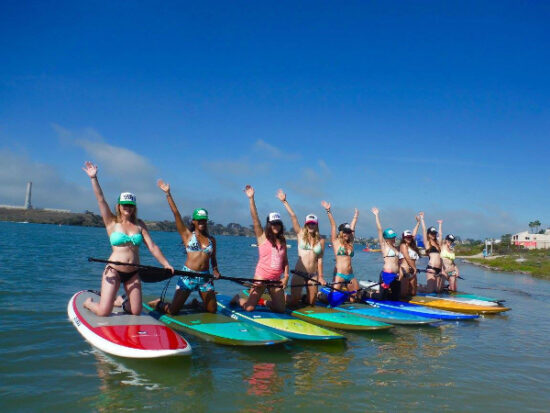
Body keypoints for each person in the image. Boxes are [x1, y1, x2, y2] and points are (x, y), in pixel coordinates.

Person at [81, 161, 174, 316]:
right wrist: (93, 178)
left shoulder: (140, 224)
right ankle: (89, 303)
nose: (127, 208)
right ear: (118, 206)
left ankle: (120, 301)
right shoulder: (111, 222)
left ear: (134, 207)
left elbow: (152, 246)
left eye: (130, 205)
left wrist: (166, 264)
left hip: (133, 272)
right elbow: (101, 200)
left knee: (136, 311)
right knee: (104, 312)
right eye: (124, 205)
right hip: (114, 270)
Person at [149, 180, 220, 314]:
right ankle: (159, 304)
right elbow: (176, 214)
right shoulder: (187, 235)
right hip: (188, 276)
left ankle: (195, 303)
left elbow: (213, 258)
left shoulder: (212, 240)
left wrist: (215, 270)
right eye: (199, 220)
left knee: (212, 310)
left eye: (204, 220)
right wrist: (168, 194)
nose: (202, 222)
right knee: (173, 311)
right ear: (194, 221)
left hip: (205, 277)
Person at [232, 185, 289, 312]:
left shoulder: (283, 240)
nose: (276, 226)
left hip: (275, 280)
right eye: (273, 224)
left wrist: (286, 276)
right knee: (249, 308)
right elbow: (255, 218)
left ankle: (267, 302)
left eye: (278, 224)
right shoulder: (262, 237)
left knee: (281, 309)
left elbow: (285, 261)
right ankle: (238, 299)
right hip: (261, 277)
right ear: (269, 225)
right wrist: (251, 198)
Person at [277, 189, 326, 307]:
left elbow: (319, 260)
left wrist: (321, 277)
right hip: (299, 272)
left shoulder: (321, 241)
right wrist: (285, 202)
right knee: (294, 302)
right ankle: (278, 296)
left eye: (313, 223)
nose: (311, 225)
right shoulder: (300, 234)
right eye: (309, 223)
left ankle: (305, 297)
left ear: (316, 225)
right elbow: (293, 216)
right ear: (305, 224)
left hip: (312, 274)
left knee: (312, 302)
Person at [321, 200, 359, 302]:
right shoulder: (336, 242)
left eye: (349, 232)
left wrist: (355, 216)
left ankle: (345, 297)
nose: (347, 234)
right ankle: (321, 296)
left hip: (350, 276)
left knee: (355, 298)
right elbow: (333, 225)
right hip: (339, 275)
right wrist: (328, 211)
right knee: (333, 300)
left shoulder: (350, 242)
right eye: (345, 232)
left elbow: (353, 227)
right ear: (341, 232)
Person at [371, 207, 401, 300]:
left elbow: (398, 262)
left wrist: (401, 272)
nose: (394, 239)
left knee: (396, 297)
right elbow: (379, 230)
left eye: (394, 237)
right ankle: (369, 294)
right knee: (381, 297)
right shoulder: (384, 245)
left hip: (396, 275)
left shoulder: (396, 248)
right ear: (387, 238)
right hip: (386, 274)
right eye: (392, 237)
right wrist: (376, 215)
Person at [419, 213, 446, 293]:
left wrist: (440, 225)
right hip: (431, 267)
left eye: (434, 233)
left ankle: (422, 286)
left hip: (439, 269)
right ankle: (415, 288)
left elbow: (440, 235)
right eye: (432, 233)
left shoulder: (438, 243)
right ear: (428, 234)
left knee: (438, 290)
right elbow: (424, 230)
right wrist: (422, 218)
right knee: (430, 290)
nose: (433, 235)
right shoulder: (427, 243)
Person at [398, 215, 422, 297]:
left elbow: (414, 234)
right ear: (403, 238)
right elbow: (407, 257)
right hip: (405, 270)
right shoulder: (403, 245)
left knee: (413, 293)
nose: (409, 238)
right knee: (403, 293)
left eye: (409, 237)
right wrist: (414, 268)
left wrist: (418, 222)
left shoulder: (412, 245)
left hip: (413, 271)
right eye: (407, 237)